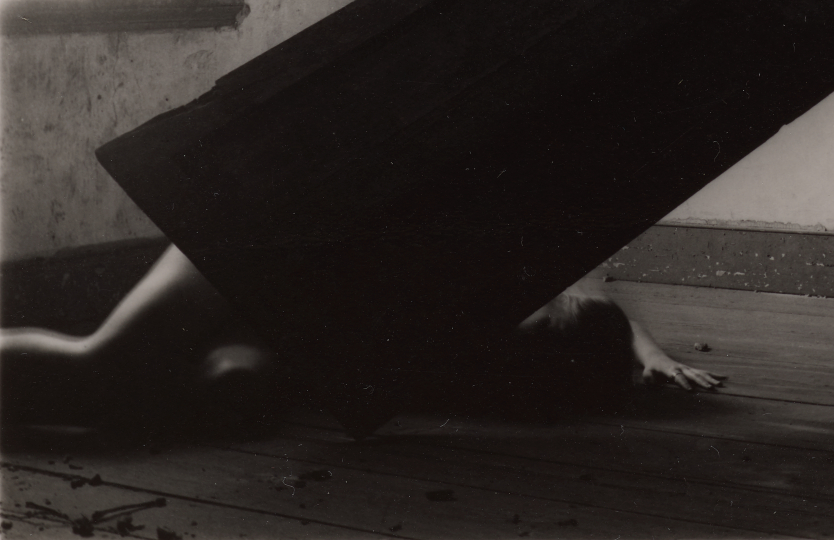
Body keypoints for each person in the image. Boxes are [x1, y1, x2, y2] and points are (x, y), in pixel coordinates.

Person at [0, 246, 724, 434]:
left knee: (235, 390)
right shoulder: (506, 280)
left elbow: (583, 317)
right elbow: (594, 299)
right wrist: (648, 349)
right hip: (245, 259)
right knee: (98, 372)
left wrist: (633, 353)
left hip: (267, 323)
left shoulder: (484, 355)